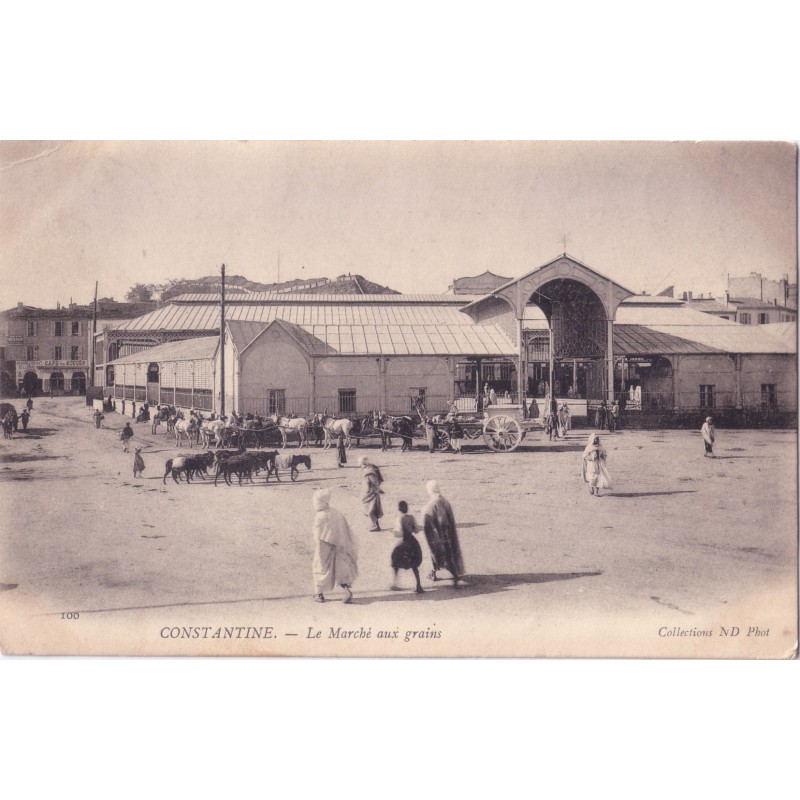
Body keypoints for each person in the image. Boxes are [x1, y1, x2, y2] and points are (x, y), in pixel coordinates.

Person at [311, 489, 359, 604]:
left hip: (324, 548)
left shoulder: (320, 517)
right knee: (340, 570)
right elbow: (345, 530)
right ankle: (346, 591)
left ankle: (319, 594)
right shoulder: (336, 512)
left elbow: (318, 536)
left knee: (320, 568)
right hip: (339, 547)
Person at [423, 480, 465, 587]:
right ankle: (433, 573)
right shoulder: (444, 501)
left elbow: (442, 520)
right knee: (437, 554)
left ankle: (454, 576)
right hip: (443, 534)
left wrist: (441, 535)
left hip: (438, 535)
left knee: (441, 555)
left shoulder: (434, 503)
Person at [390, 501, 424, 594]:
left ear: (399, 509)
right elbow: (416, 530)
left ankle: (394, 583)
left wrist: (393, 532)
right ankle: (418, 585)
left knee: (395, 560)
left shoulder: (399, 518)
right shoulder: (411, 517)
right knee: (414, 565)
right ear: (407, 508)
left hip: (404, 542)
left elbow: (399, 532)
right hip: (412, 541)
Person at [359, 456, 384, 531]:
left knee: (370, 510)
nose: (359, 466)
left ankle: (375, 526)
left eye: (360, 464)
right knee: (372, 509)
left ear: (363, 464)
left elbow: (374, 482)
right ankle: (375, 525)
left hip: (371, 493)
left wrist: (377, 489)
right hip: (370, 492)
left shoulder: (369, 471)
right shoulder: (371, 468)